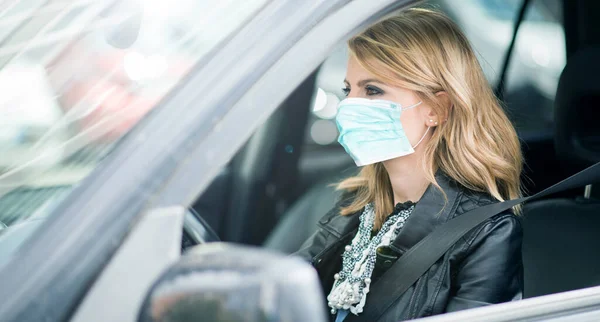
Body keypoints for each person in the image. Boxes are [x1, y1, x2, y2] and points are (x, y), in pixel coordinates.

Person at [295, 8, 523, 322]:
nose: (349, 105)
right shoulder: (355, 206)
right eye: (349, 89)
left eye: (372, 90)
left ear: (437, 109)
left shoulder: (485, 233)